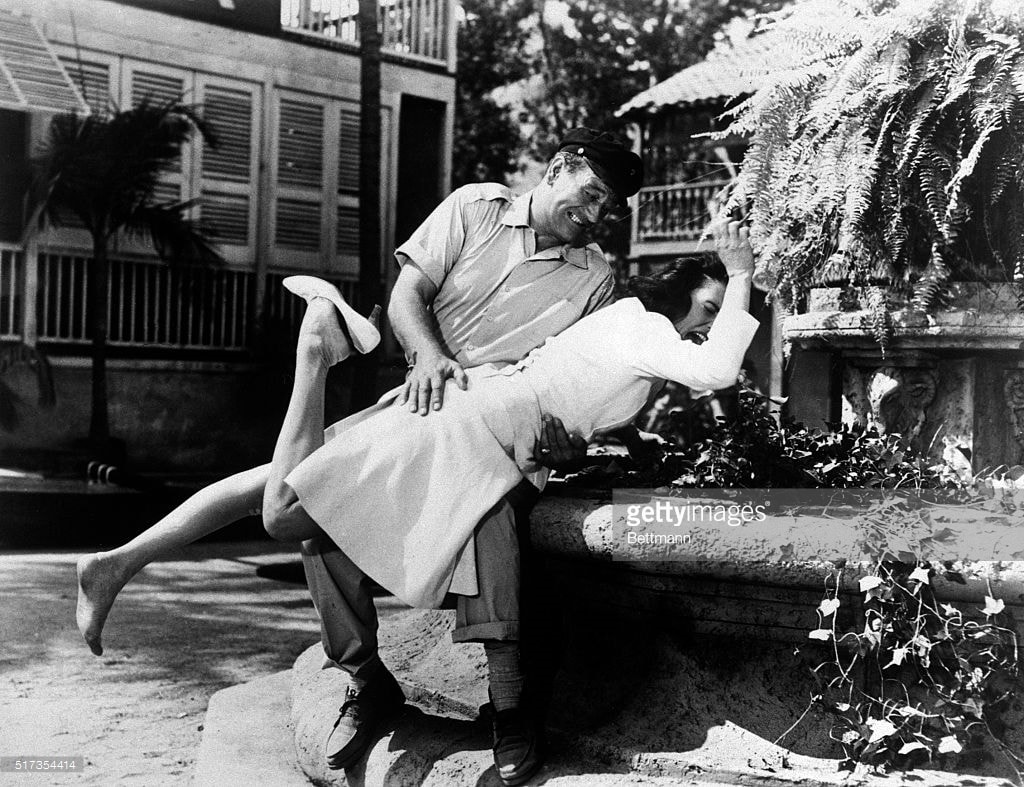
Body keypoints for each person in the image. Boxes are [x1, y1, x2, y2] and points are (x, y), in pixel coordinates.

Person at [76, 128, 646, 782]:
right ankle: (366, 676)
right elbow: (408, 295)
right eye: (592, 193)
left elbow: (571, 377)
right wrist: (426, 355)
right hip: (423, 409)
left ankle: (507, 706)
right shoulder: (475, 208)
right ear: (558, 167)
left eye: (610, 208)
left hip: (498, 426)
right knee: (294, 502)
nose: (597, 213)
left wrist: (565, 434)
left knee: (358, 499)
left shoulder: (595, 278)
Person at [262, 219, 755, 783]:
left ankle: (473, 703)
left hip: (505, 442)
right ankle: (315, 352)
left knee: (479, 526)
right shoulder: (645, 327)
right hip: (476, 420)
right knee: (293, 517)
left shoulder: (634, 331)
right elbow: (718, 370)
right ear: (677, 291)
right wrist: (740, 273)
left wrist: (601, 447)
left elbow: (578, 396)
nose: (711, 324)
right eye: (709, 308)